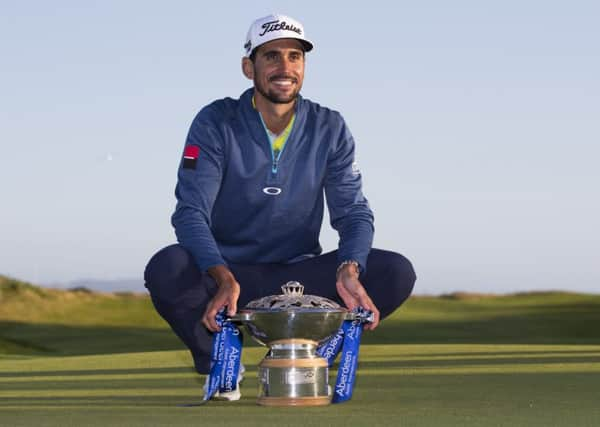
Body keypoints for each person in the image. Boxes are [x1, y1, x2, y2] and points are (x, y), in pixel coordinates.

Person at [144, 13, 416, 400]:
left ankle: (309, 359)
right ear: (248, 67)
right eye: (271, 56)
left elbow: (353, 212)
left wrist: (349, 268)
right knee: (167, 266)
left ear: (304, 66)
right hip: (229, 278)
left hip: (299, 279)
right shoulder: (215, 121)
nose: (284, 67)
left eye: (294, 56)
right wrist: (222, 277)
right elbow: (190, 212)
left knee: (395, 271)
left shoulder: (329, 126)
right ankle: (221, 365)